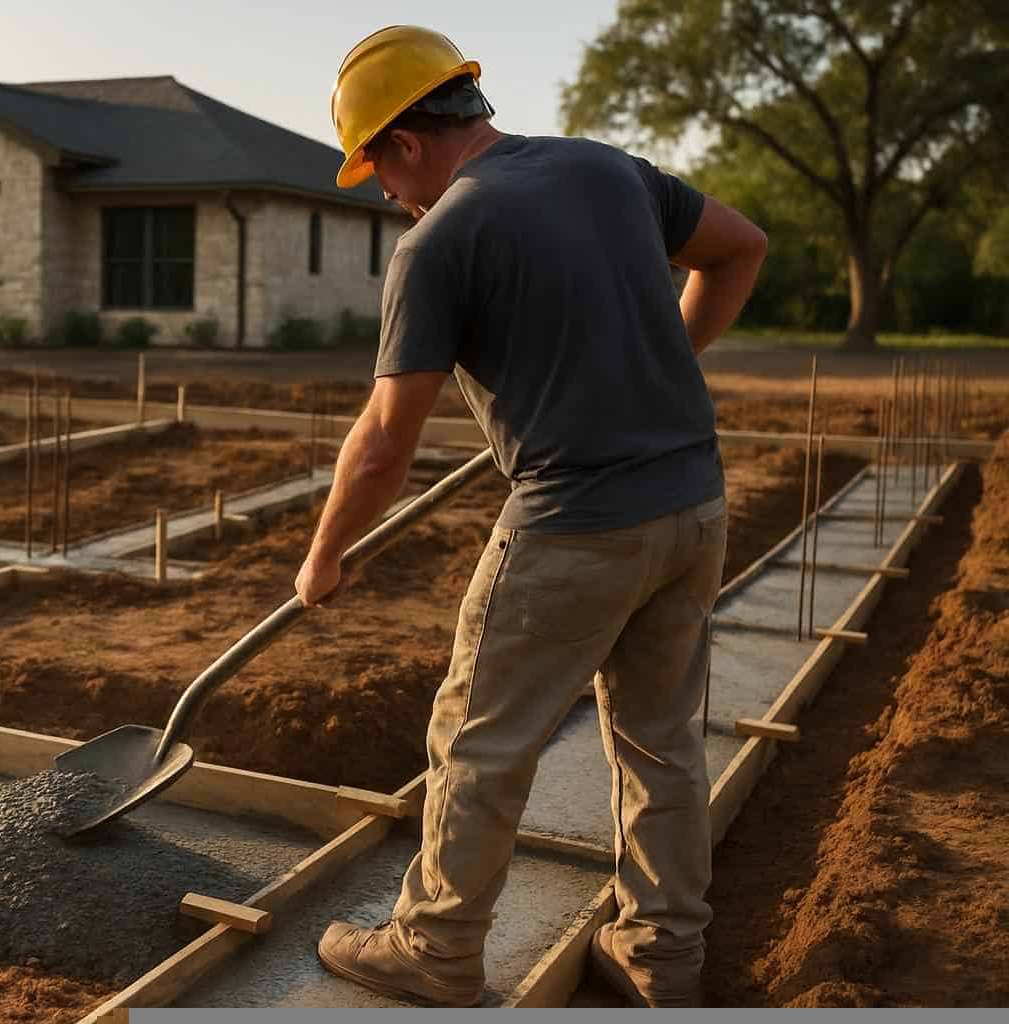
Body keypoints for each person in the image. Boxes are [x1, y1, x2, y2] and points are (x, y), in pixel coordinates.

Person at [295, 25, 768, 1008]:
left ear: (408, 141)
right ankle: (660, 953)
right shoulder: (606, 172)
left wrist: (323, 555)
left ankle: (434, 944)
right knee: (661, 740)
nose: (385, 193)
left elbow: (384, 442)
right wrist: (662, 365)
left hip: (574, 521)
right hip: (691, 504)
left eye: (378, 167)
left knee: (477, 735)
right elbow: (740, 249)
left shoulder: (439, 239)